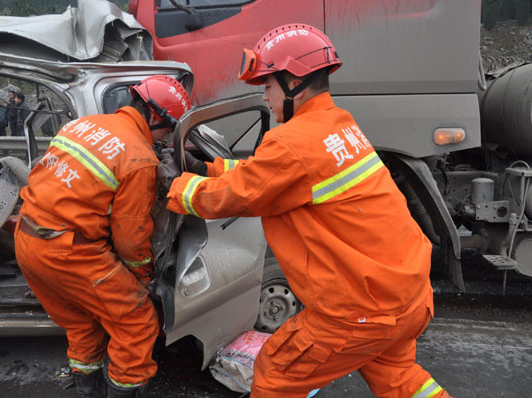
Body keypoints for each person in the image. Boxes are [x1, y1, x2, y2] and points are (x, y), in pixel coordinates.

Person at [161, 24, 453, 398]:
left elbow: (238, 196)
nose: (265, 96)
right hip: (407, 295)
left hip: (359, 311)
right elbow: (271, 177)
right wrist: (208, 169)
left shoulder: (292, 142)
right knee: (400, 379)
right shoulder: (337, 125)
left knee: (275, 375)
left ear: (293, 82)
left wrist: (177, 186)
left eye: (267, 85)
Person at [14, 75, 190, 398]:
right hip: (67, 252)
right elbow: (131, 238)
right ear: (153, 116)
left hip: (26, 239)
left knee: (82, 322)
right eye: (167, 129)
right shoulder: (139, 157)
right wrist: (142, 279)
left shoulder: (81, 125)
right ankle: (123, 390)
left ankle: (88, 390)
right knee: (137, 323)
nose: (165, 139)